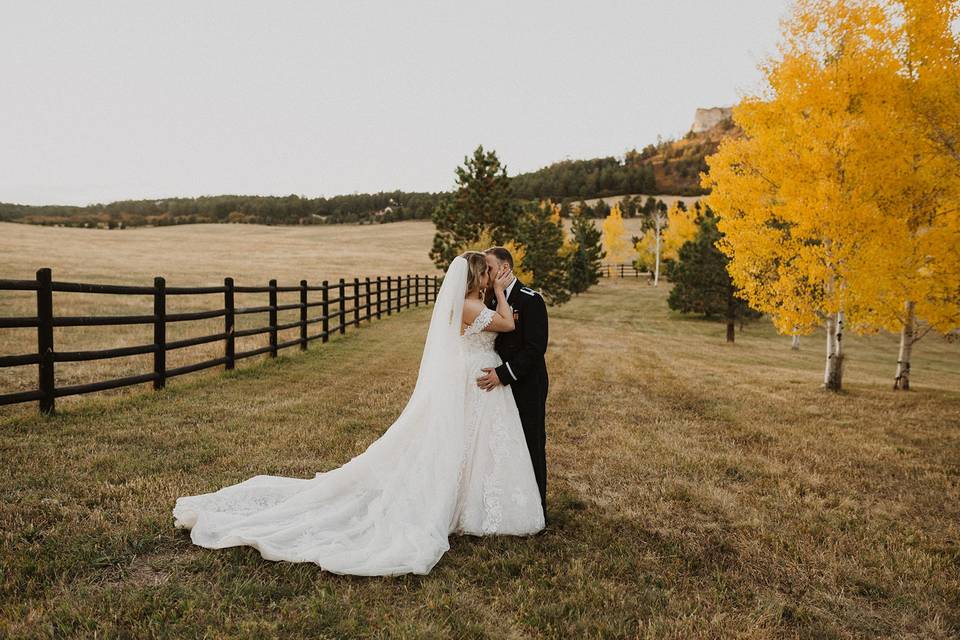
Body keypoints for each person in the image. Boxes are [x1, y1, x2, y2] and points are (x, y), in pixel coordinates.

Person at [172, 252, 544, 576]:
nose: (490, 277)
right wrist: (498, 293)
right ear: (474, 278)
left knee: (474, 444)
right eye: (485, 273)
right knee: (465, 442)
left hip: (476, 377)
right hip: (476, 376)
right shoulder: (472, 306)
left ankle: (474, 501)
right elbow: (507, 324)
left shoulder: (468, 304)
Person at [476, 247, 549, 516]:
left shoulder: (531, 300)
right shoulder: (489, 300)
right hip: (496, 389)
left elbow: (534, 349)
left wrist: (502, 374)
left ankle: (537, 508)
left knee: (531, 442)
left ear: (505, 268)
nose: (487, 274)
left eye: (490, 268)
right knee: (503, 444)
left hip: (526, 383)